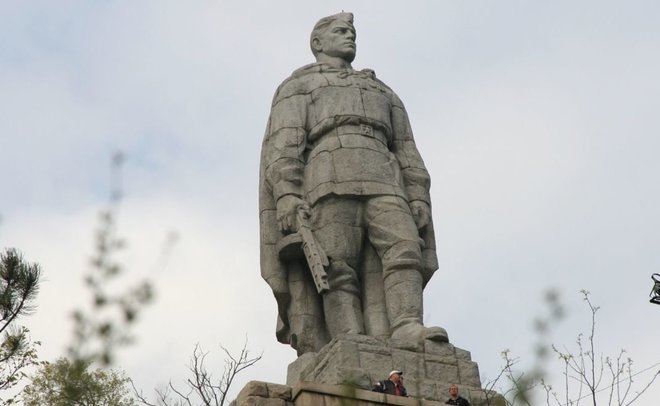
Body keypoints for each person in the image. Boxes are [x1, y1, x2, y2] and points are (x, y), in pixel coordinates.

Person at [259, 12, 447, 355]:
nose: (350, 37)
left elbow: (406, 148)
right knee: (335, 264)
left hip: (385, 175)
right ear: (318, 42)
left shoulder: (381, 90)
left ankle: (407, 326)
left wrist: (418, 193)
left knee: (406, 247)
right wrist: (287, 194)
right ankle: (346, 337)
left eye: (352, 32)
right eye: (341, 31)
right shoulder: (298, 86)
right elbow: (284, 146)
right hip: (326, 178)